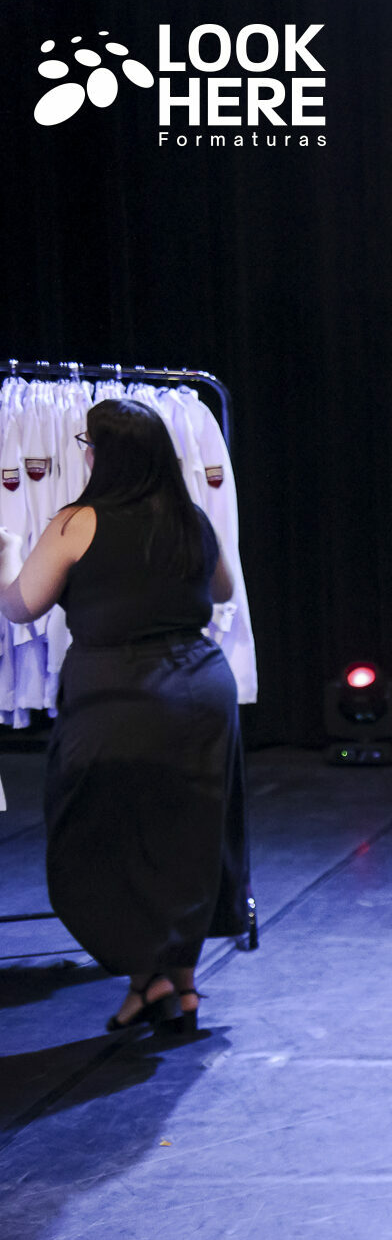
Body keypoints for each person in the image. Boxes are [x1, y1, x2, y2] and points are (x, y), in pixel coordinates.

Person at [0, 398, 244, 1036]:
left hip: (119, 692)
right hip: (199, 688)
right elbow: (222, 591)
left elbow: (22, 607)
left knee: (100, 834)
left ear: (102, 454)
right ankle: (175, 985)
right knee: (187, 838)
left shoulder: (77, 522)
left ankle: (149, 975)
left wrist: (5, 557)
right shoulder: (190, 518)